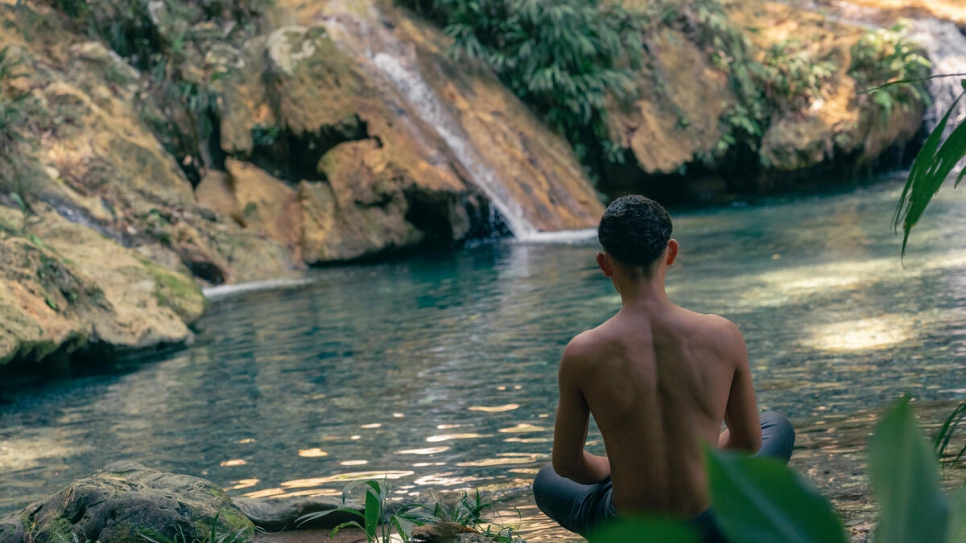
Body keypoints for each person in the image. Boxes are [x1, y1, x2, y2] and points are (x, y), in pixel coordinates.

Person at [532, 195, 795, 542]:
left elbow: (568, 465)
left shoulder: (583, 352)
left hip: (630, 529)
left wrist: (614, 467)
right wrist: (692, 458)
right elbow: (747, 442)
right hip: (710, 524)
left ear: (604, 263)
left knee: (547, 478)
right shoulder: (722, 334)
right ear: (671, 252)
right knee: (777, 426)